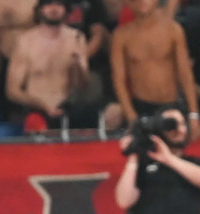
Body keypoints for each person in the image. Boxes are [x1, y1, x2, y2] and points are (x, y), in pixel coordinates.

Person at [7, 0, 121, 131]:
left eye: (59, 5)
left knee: (114, 112)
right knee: (35, 124)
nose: (54, 9)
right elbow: (12, 91)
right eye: (49, 4)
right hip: (38, 107)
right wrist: (43, 105)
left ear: (66, 10)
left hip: (69, 106)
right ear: (40, 9)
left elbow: (81, 86)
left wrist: (77, 65)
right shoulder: (25, 41)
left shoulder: (76, 38)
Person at [111, 0, 199, 138]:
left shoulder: (173, 30)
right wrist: (131, 116)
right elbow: (119, 80)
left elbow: (185, 75)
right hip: (141, 108)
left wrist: (193, 114)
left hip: (172, 105)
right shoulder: (121, 36)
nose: (142, 1)